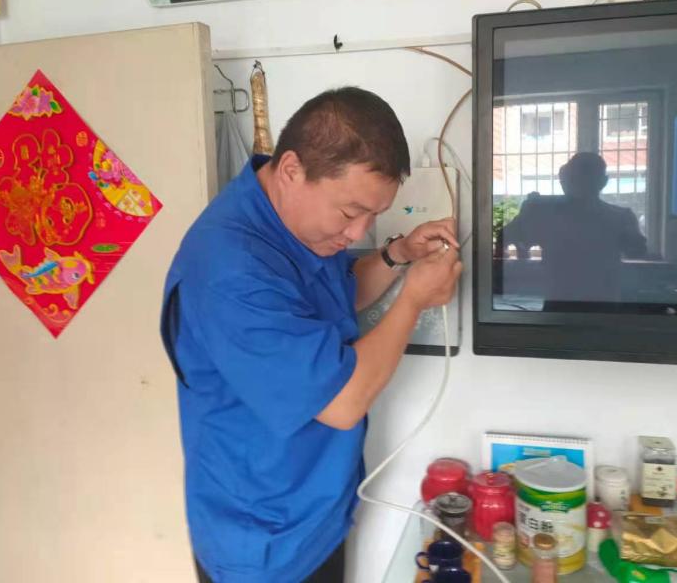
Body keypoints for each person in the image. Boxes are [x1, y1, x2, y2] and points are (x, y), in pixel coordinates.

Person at [161, 87, 462, 583]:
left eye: (373, 215)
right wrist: (413, 300)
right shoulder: (229, 269)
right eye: (349, 213)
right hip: (264, 542)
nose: (358, 232)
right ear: (291, 170)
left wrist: (398, 255)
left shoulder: (287, 224)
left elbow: (335, 297)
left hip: (315, 513)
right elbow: (342, 402)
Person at [501, 152, 647, 307]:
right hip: (598, 306)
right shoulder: (620, 217)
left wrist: (528, 215)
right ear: (604, 182)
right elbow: (637, 251)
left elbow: (507, 238)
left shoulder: (546, 216)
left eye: (582, 179)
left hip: (567, 305)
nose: (578, 184)